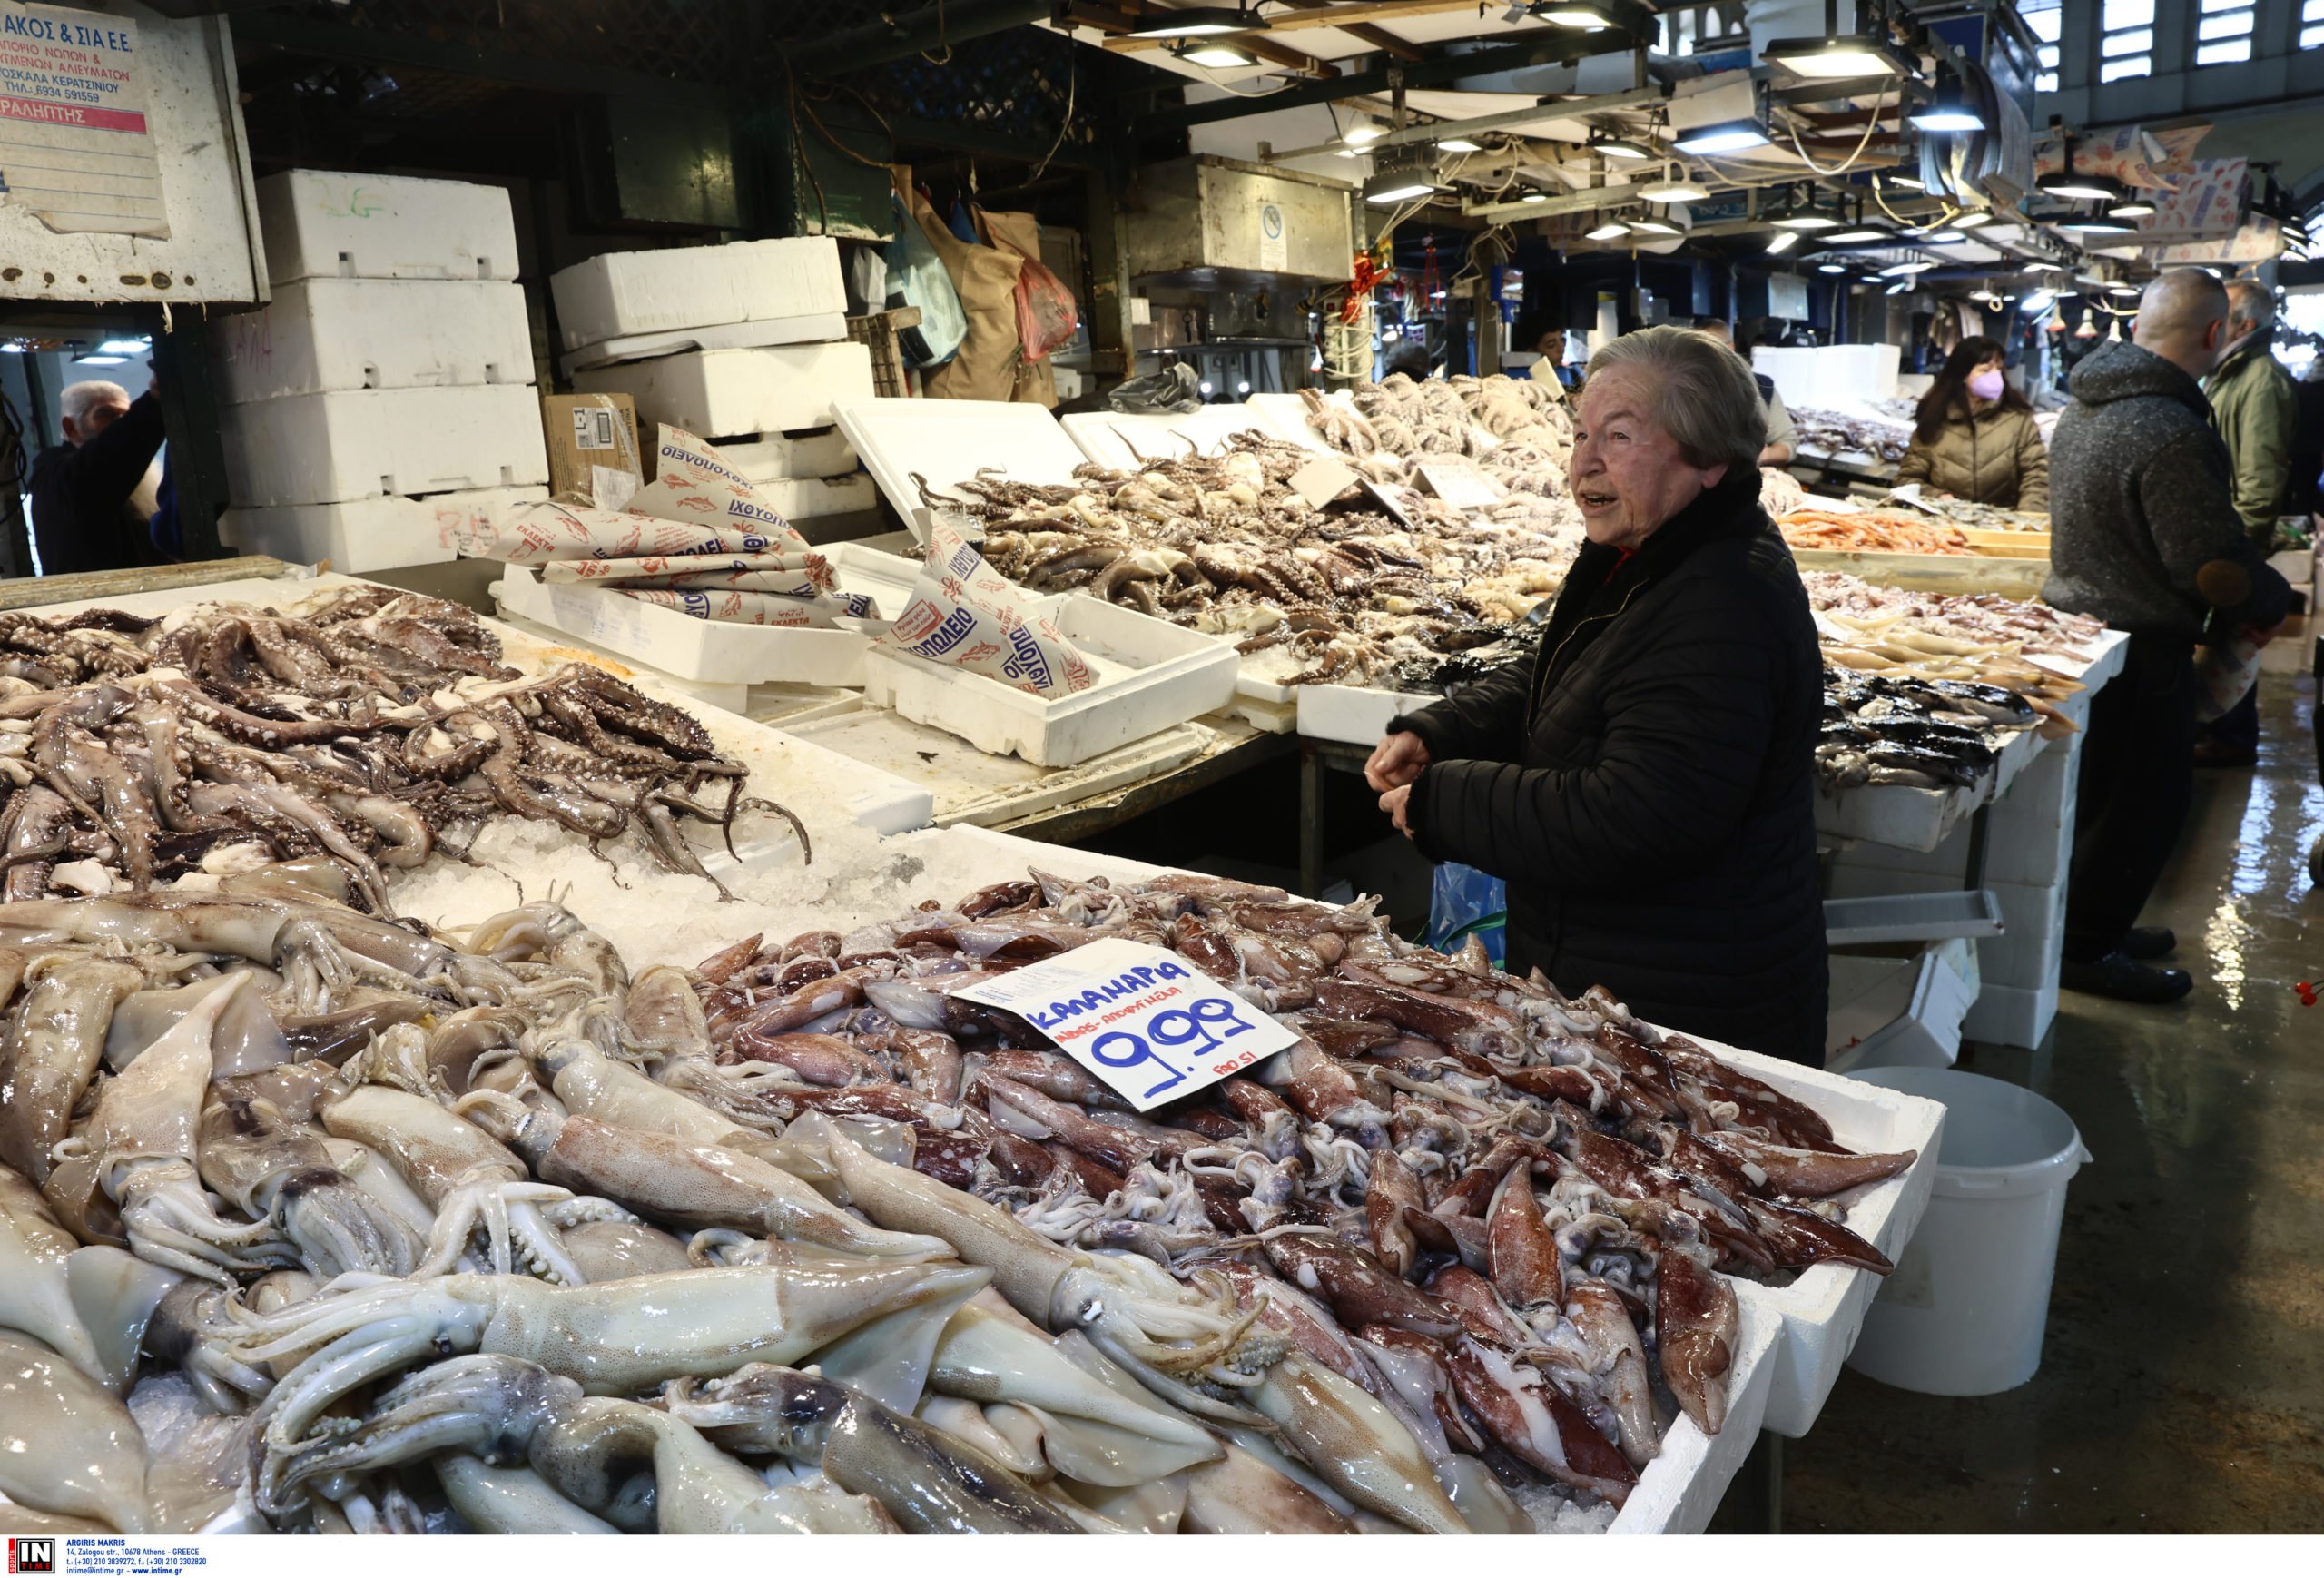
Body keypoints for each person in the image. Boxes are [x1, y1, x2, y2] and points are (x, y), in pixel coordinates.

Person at [1366, 325, 1827, 1062]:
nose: (1584, 463)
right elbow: (1569, 673)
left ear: (1708, 457)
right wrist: (1444, 730)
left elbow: (1638, 815)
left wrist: (1444, 801)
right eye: (1580, 435)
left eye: (1618, 437)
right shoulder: (1650, 557)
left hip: (1686, 1019)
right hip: (1614, 990)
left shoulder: (1722, 600)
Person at [2043, 269, 2292, 1003]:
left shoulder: (2084, 408)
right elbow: (2210, 565)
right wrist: (2269, 590)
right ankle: (2086, 949)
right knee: (2141, 807)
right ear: (2217, 333)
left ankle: (2089, 923)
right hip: (2139, 643)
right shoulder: (2169, 427)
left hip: (2076, 630)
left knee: (2094, 801)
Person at [2193, 279, 2298, 766]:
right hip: (2223, 540)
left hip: (2236, 543)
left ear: (2245, 325)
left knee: (2235, 643)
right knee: (2222, 646)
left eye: (2223, 313)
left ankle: (2231, 743)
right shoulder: (2231, 372)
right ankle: (2221, 735)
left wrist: (2239, 560)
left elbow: (2259, 485)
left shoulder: (2261, 381)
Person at [1894, 336, 2051, 511]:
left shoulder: (2018, 421)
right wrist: (1937, 496)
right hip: (1947, 525)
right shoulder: (1935, 420)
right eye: (1985, 370)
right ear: (1963, 374)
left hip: (2002, 525)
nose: (1995, 375)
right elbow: (1907, 480)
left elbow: (2036, 477)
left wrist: (2027, 523)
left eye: (1998, 369)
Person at [29, 376, 166, 577]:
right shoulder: (56, 474)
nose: (119, 424)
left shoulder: (123, 470)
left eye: (124, 416)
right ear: (71, 427)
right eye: (106, 414)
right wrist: (153, 400)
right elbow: (100, 463)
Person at [1693, 316, 1796, 466]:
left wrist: (1763, 454)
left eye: (1714, 349)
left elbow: (1788, 442)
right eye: (1700, 351)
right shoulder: (1682, 391)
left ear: (1731, 347)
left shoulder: (1762, 388)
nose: (1708, 358)